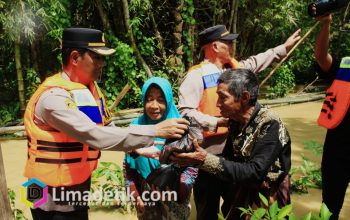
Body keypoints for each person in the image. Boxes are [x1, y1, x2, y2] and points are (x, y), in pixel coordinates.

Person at [23, 28, 189, 220]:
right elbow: (94, 135)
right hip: (47, 198)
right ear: (75, 58)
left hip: (76, 190)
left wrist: (137, 149)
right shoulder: (53, 98)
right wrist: (155, 130)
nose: (102, 64)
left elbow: (108, 128)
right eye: (97, 57)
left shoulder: (90, 91)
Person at [178, 24, 300, 219]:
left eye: (222, 98)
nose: (232, 47)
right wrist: (215, 122)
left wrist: (282, 49)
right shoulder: (196, 74)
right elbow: (184, 112)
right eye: (228, 43)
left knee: (235, 204)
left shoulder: (236, 71)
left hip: (236, 153)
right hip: (208, 150)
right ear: (215, 46)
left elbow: (257, 61)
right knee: (207, 207)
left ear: (244, 96)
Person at [173, 68, 292, 219]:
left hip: (267, 196)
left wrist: (205, 159)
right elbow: (230, 159)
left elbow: (255, 172)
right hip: (243, 188)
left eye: (223, 98)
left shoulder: (270, 124)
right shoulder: (235, 121)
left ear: (244, 97)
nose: (217, 104)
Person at [124, 77, 197, 220]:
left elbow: (192, 168)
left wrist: (177, 193)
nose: (154, 105)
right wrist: (136, 196)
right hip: (146, 194)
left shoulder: (181, 127)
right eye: (149, 99)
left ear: (169, 101)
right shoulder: (136, 127)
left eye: (160, 100)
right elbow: (128, 168)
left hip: (175, 193)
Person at [314, 13, 350, 220]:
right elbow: (321, 56)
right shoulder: (344, 66)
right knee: (329, 210)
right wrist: (326, 24)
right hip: (337, 151)